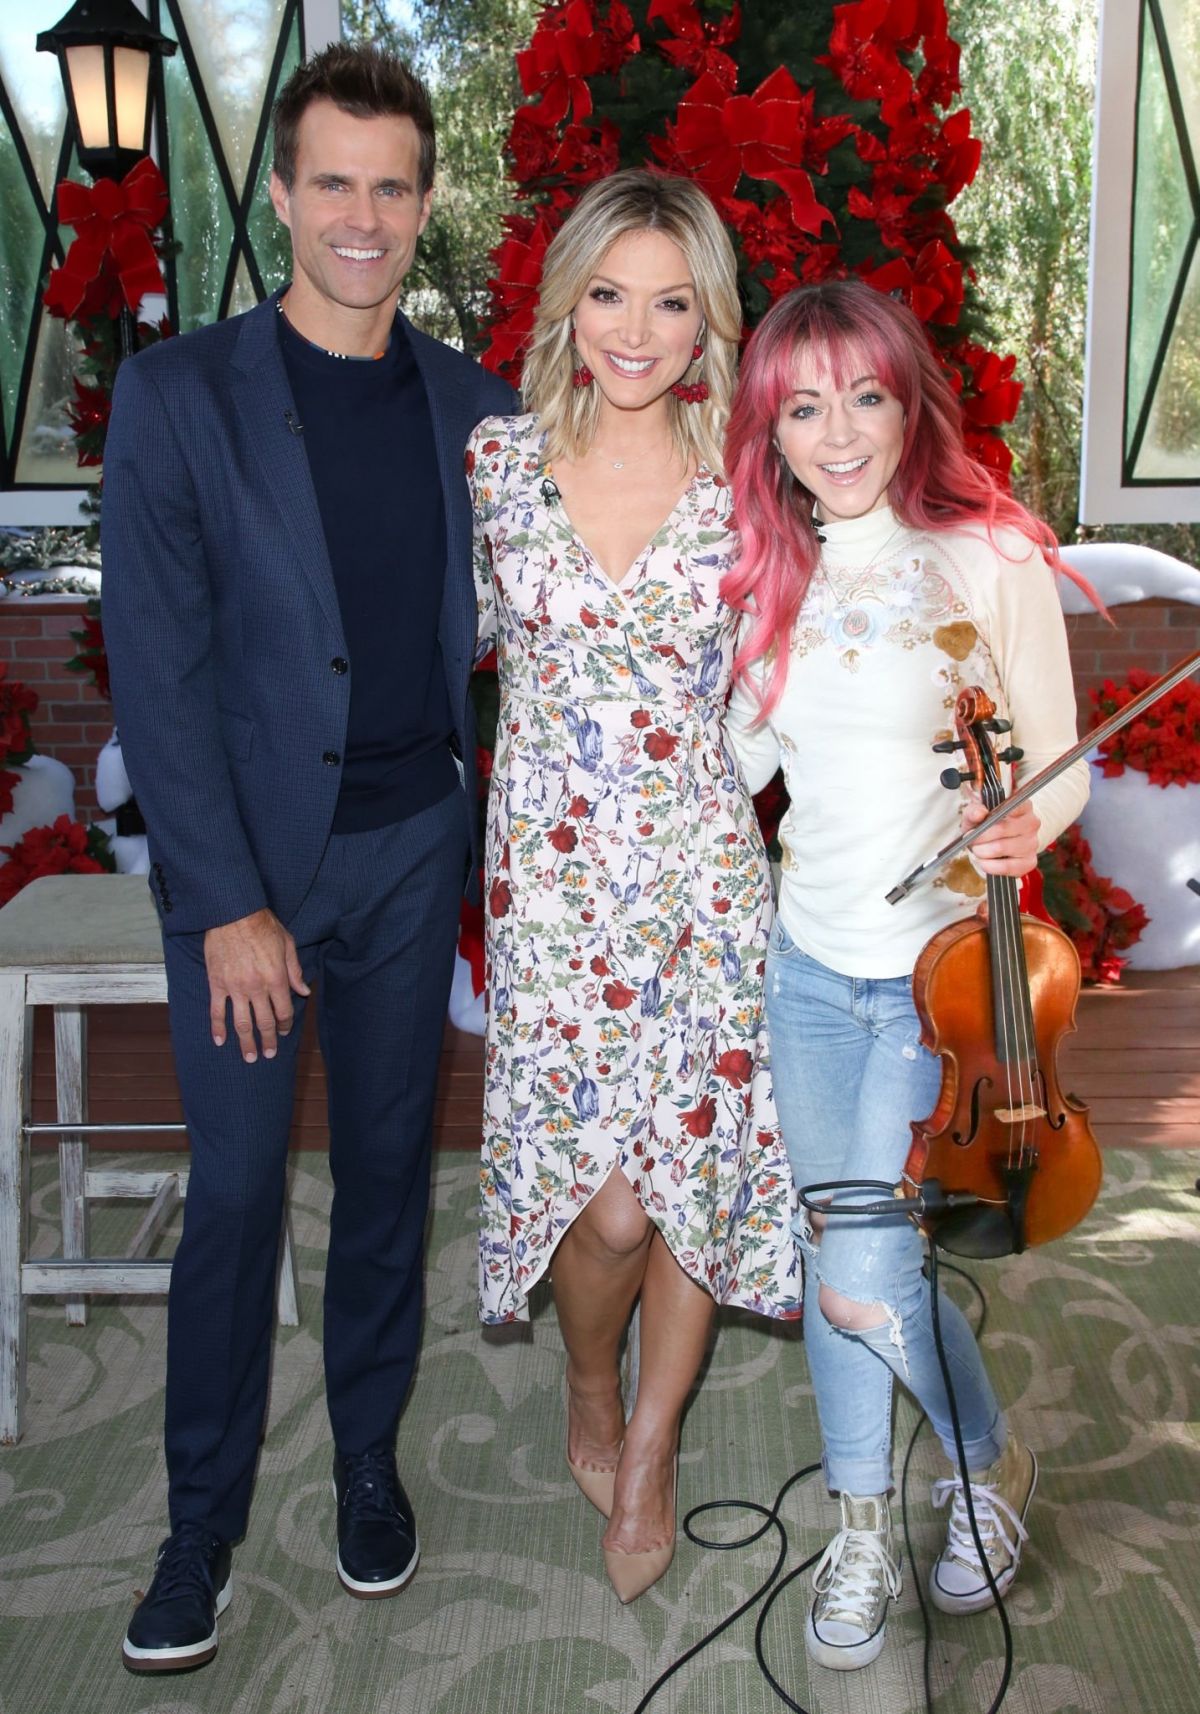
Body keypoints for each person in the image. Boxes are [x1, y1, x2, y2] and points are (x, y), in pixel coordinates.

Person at [101, 42, 514, 1674]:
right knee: (235, 1192)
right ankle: (198, 1525)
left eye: (391, 187)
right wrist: (226, 903)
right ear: (281, 194)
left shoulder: (478, 411)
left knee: (391, 1174)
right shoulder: (178, 398)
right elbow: (158, 667)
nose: (362, 215)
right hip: (252, 877)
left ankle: (365, 1458)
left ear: (423, 202)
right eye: (332, 181)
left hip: (413, 853)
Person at [722, 279, 1090, 1671]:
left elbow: (1058, 759)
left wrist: (1024, 821)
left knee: (862, 1275)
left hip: (938, 982)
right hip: (810, 967)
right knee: (848, 1258)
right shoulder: (774, 569)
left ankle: (973, 1465)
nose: (838, 434)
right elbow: (749, 764)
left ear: (907, 400)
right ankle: (875, 1518)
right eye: (804, 407)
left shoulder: (989, 554)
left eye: (865, 397)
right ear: (770, 427)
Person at [467, 170, 801, 1603]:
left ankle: (651, 1442)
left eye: (672, 302)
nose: (637, 331)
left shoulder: (754, 481)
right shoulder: (495, 466)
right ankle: (589, 1380)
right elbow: (436, 644)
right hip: (550, 891)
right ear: (569, 301)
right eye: (610, 293)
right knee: (605, 1208)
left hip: (702, 884)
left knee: (695, 1178)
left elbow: (827, 651)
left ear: (708, 319)